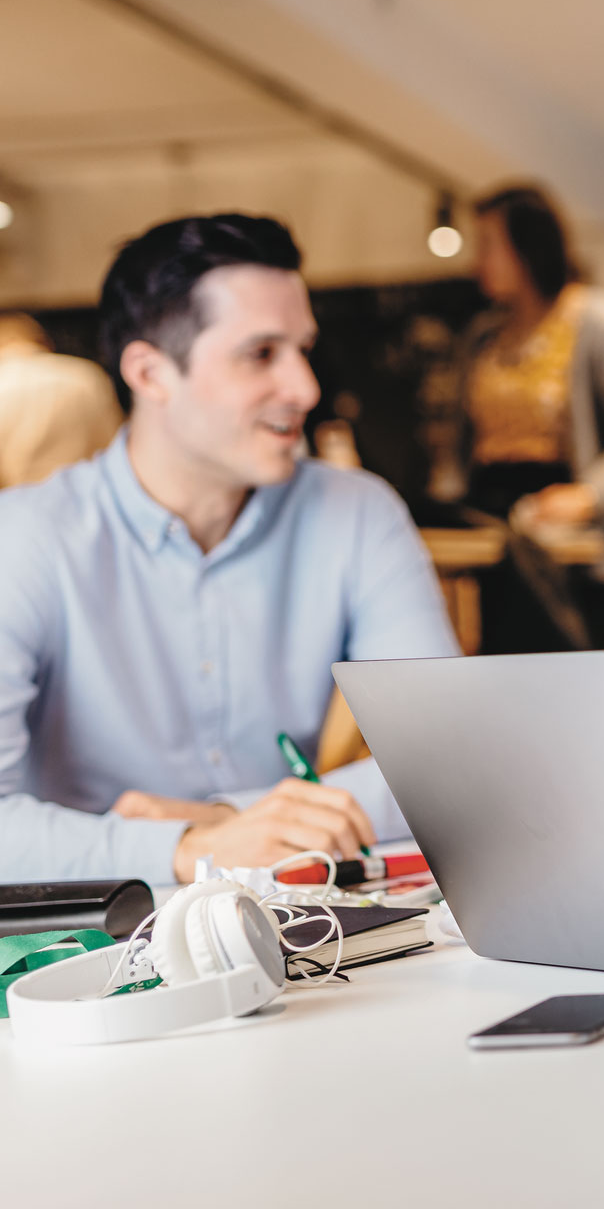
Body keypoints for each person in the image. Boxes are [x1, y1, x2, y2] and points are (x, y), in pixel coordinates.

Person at [0, 214, 459, 886]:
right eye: (261, 354)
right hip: (89, 951)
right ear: (150, 373)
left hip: (296, 918)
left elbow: (451, 762)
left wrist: (226, 818)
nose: (305, 388)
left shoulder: (359, 513)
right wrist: (186, 848)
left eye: (302, 349)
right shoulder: (24, 540)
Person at [454, 184, 604, 652]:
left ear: (528, 246)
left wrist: (585, 496)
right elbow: (461, 449)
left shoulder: (600, 324)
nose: (477, 262)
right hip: (491, 534)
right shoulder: (481, 338)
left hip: (569, 540)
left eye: (488, 245)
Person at [0, 312, 121, 487]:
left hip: (14, 504)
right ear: (44, 341)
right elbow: (113, 447)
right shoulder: (87, 376)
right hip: (82, 498)